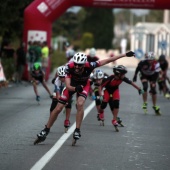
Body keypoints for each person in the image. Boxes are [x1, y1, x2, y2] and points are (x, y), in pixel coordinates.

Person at [34, 51, 135, 145]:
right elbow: (68, 86)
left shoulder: (90, 65)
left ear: (84, 64)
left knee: (80, 104)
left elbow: (108, 60)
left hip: (84, 85)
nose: (77, 67)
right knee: (59, 108)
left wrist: (125, 54)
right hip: (72, 85)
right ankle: (46, 130)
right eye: (76, 64)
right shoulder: (69, 67)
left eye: (80, 65)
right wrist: (75, 88)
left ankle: (77, 130)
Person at [96, 65, 143, 132]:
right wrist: (100, 96)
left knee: (116, 103)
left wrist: (139, 89)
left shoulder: (122, 78)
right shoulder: (110, 78)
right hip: (107, 91)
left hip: (115, 90)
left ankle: (114, 120)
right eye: (123, 74)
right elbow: (100, 86)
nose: (124, 75)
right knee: (104, 105)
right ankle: (100, 112)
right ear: (118, 74)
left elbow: (131, 83)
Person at [50, 66, 73, 132]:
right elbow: (58, 95)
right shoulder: (57, 81)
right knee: (54, 101)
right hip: (59, 89)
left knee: (69, 101)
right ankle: (51, 119)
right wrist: (62, 101)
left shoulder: (70, 78)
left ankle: (67, 120)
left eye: (64, 77)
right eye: (61, 77)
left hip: (68, 87)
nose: (62, 79)